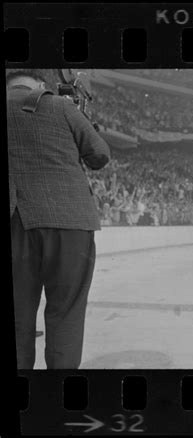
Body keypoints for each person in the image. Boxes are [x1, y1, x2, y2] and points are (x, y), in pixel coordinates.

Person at [8, 70, 111, 369]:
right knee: (65, 313)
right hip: (69, 223)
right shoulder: (58, 105)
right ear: (39, 85)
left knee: (17, 319)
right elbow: (99, 155)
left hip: (15, 222)